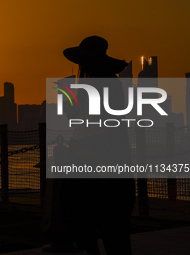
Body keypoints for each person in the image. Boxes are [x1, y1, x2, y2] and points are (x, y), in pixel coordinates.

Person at [59, 36, 135, 255]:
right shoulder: (103, 85)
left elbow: (91, 125)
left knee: (95, 228)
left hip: (96, 169)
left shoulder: (97, 86)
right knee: (111, 232)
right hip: (105, 168)